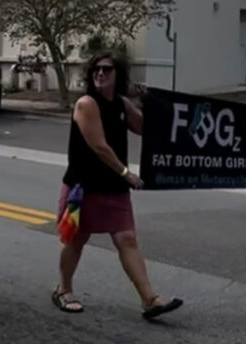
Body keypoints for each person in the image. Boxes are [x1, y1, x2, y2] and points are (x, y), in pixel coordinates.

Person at [52, 52, 183, 319]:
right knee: (77, 240)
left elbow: (146, 127)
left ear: (117, 75)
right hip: (84, 187)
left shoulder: (122, 104)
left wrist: (150, 102)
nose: (100, 73)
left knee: (127, 239)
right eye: (96, 70)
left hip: (113, 187)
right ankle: (63, 290)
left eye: (107, 70)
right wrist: (126, 173)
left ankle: (150, 299)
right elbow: (99, 145)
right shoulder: (86, 104)